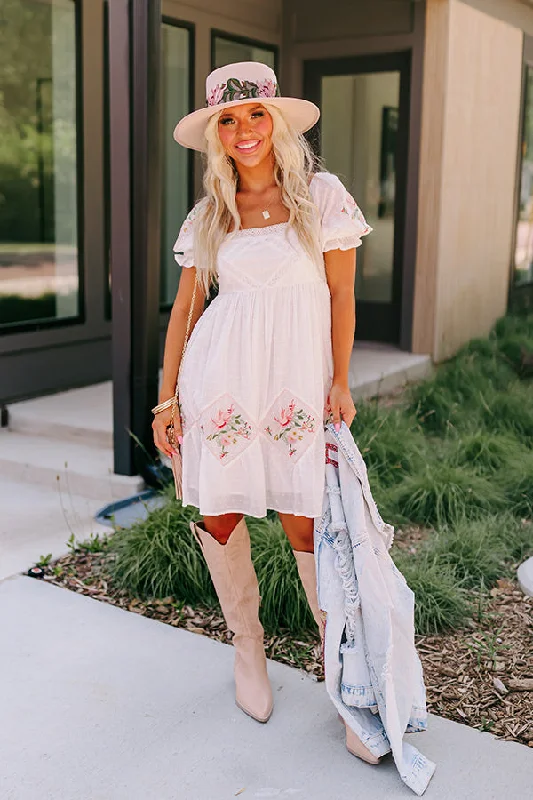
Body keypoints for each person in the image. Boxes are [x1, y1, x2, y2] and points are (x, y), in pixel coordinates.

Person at [152, 62, 374, 762]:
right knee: (219, 516)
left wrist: (339, 381)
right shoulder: (210, 213)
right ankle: (247, 652)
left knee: (309, 526)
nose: (243, 130)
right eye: (228, 118)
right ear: (216, 133)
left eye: (255, 115)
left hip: (296, 385)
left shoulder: (322, 196)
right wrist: (166, 396)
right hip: (219, 380)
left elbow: (340, 297)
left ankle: (345, 680)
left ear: (274, 122)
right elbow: (186, 311)